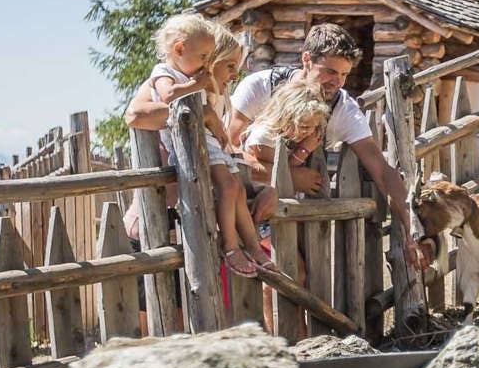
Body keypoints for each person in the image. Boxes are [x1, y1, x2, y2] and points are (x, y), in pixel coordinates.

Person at [228, 23, 428, 270]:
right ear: (306, 59)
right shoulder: (260, 87)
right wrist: (291, 177)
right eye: (330, 71)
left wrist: (411, 230)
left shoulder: (344, 109)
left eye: (344, 74)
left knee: (301, 273)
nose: (338, 82)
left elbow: (383, 172)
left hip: (298, 212)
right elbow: (230, 153)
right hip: (242, 206)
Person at [145, 14, 270, 277]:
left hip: (207, 139)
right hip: (193, 142)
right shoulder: (165, 73)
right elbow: (168, 97)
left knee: (235, 186)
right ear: (179, 48)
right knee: (227, 185)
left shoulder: (191, 77)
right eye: (204, 56)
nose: (206, 62)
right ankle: (231, 246)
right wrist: (196, 85)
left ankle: (253, 245)